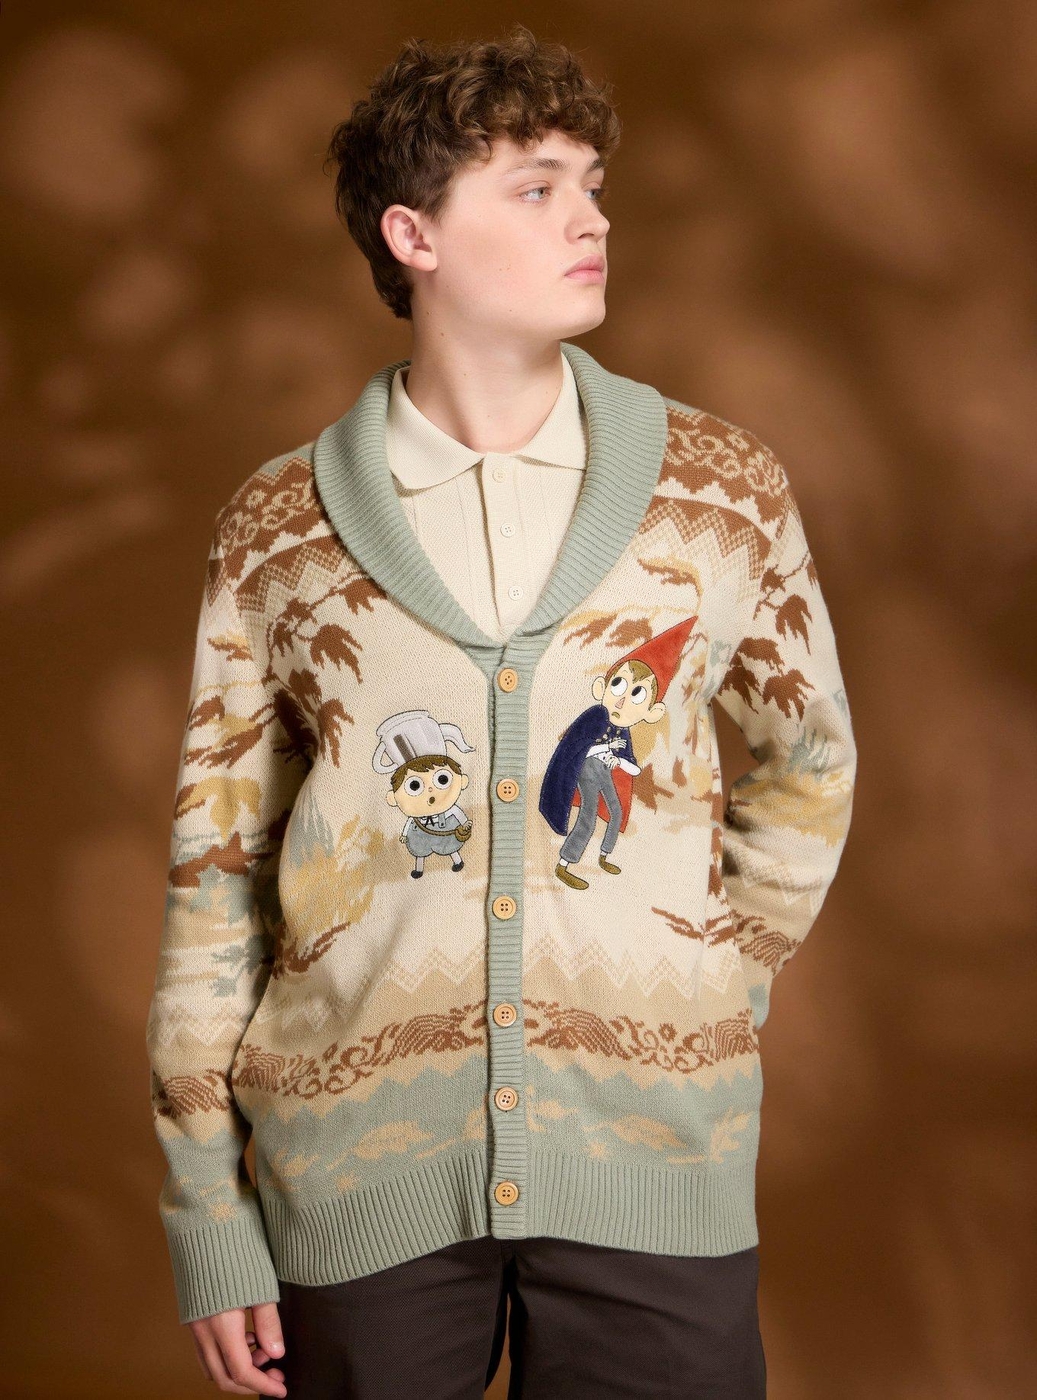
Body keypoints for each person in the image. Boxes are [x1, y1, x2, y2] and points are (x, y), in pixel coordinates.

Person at [145, 23, 857, 1399]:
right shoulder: (276, 530)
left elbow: (809, 764)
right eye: (536, 188)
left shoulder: (720, 491)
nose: (591, 219)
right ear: (412, 235)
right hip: (353, 1169)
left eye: (590, 184)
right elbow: (213, 872)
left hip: (657, 1154)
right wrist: (207, 1217)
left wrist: (710, 976)